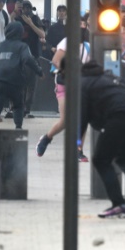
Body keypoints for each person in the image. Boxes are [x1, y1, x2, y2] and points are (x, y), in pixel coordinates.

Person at [75, 59, 125, 218]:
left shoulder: (83, 83)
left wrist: (77, 141)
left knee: (101, 160)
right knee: (123, 158)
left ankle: (119, 203)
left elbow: (82, 115)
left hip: (117, 117)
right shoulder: (110, 78)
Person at [0, 22, 42, 149]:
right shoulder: (22, 46)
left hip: (0, 83)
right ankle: (18, 129)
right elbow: (28, 59)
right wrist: (39, 71)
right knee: (18, 106)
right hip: (16, 83)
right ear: (20, 33)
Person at [36, 28, 91, 161]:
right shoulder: (66, 42)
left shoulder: (88, 47)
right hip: (64, 83)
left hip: (79, 85)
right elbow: (56, 60)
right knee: (65, 120)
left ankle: (79, 151)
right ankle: (46, 138)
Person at [15, 0, 45, 116]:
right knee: (19, 83)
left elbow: (42, 34)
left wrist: (31, 23)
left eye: (28, 8)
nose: (26, 10)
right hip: (19, 55)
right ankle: (19, 107)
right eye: (24, 8)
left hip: (33, 54)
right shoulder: (17, 19)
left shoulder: (35, 18)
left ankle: (27, 108)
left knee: (31, 84)